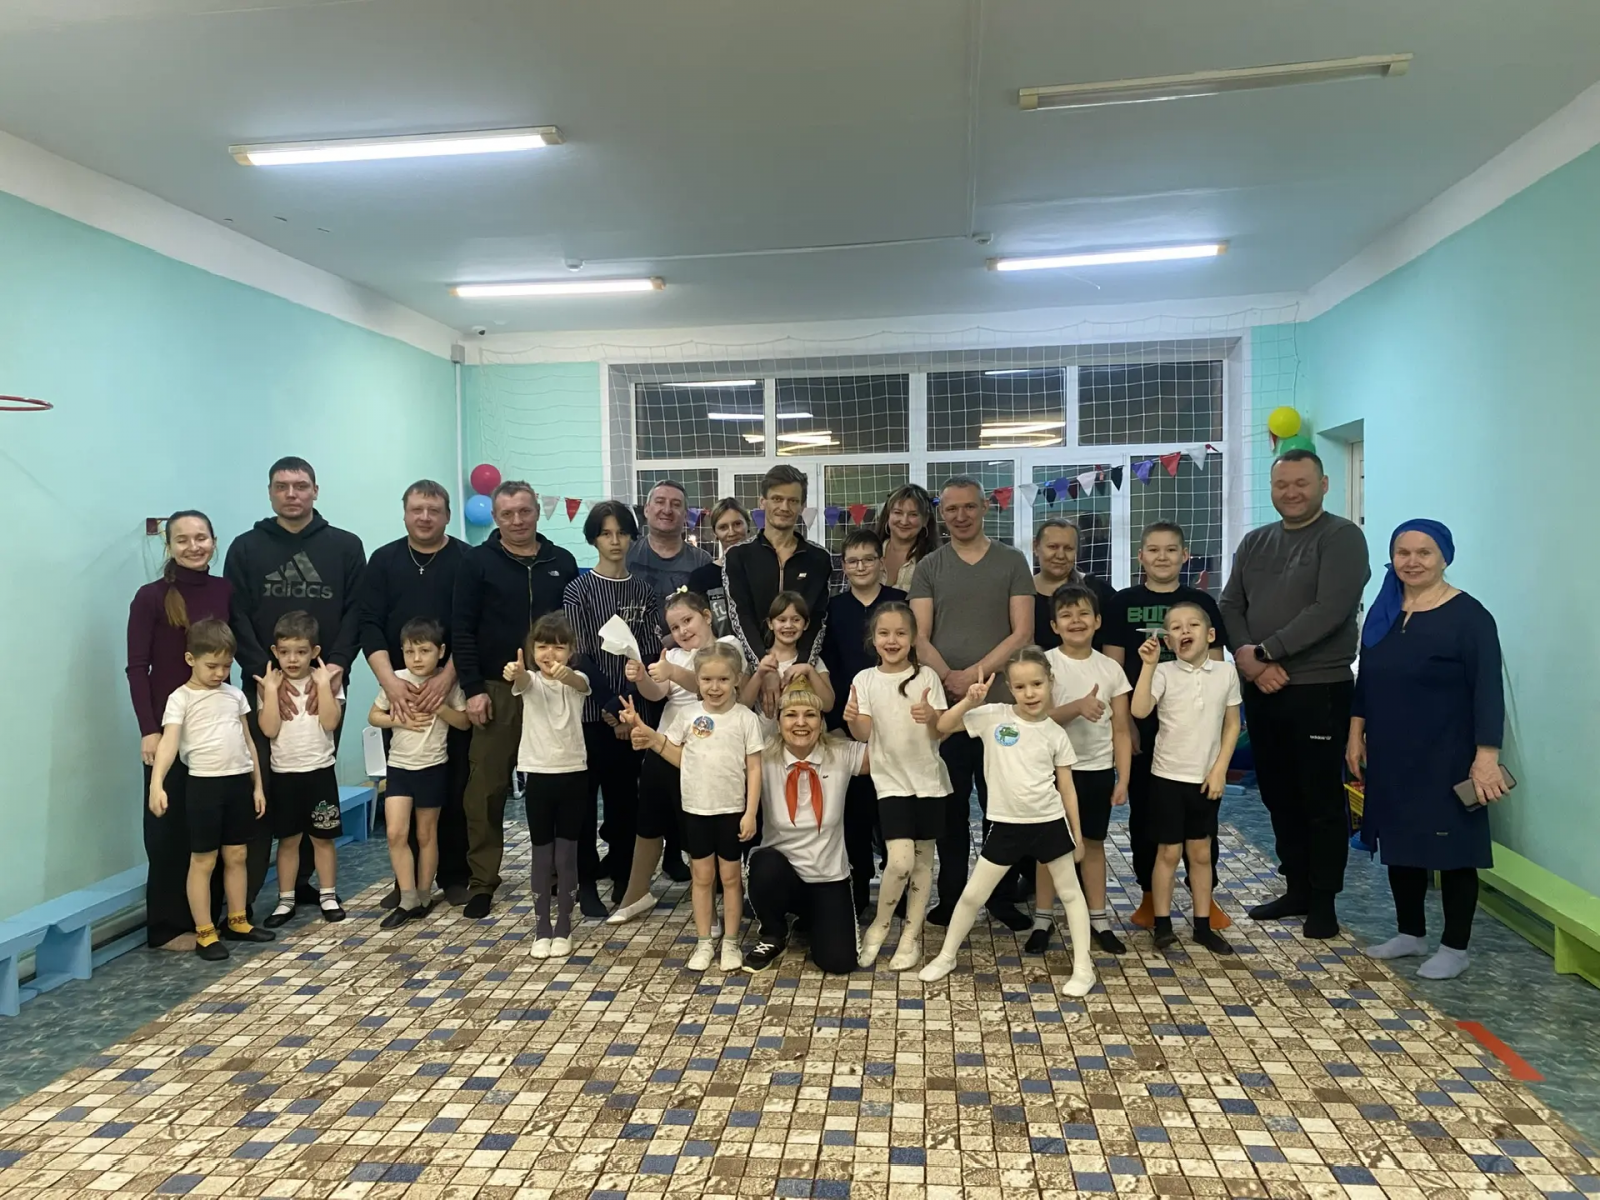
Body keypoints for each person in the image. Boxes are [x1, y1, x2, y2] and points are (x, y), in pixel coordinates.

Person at [1346, 520, 1506, 980]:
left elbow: (1488, 692)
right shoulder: (1385, 611)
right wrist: (1356, 732)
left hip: (1449, 753)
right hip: (1393, 751)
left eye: (1424, 553)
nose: (1412, 562)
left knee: (1454, 850)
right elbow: (1368, 678)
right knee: (1401, 842)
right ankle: (1410, 933)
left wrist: (1486, 757)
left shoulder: (1470, 617)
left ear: (1444, 558)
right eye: (1403, 553)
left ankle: (1455, 947)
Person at [1220, 449, 1370, 938]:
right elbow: (1230, 604)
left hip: (1319, 689)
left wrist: (1266, 652)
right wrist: (1248, 659)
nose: (1291, 492)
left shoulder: (1341, 537)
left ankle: (1324, 901)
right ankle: (1297, 888)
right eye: (1282, 484)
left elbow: (1330, 609)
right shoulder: (1255, 542)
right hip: (1263, 690)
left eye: (1302, 483)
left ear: (1323, 485)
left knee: (1319, 798)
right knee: (1278, 795)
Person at [224, 457, 366, 917]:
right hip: (264, 685)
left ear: (315, 491)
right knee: (264, 787)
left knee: (312, 778)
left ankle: (305, 883)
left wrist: (336, 666)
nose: (292, 494)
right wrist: (265, 676)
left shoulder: (345, 546)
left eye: (300, 485)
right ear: (270, 492)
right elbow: (236, 616)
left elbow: (356, 611)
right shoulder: (246, 548)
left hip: (324, 683)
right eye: (282, 486)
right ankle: (246, 901)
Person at [918, 649, 1094, 998]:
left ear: (1050, 683)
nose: (1030, 693)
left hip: (1049, 823)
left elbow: (1067, 789)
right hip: (1006, 825)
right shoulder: (993, 716)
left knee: (1072, 895)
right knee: (973, 895)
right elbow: (943, 727)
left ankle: (1084, 967)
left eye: (1037, 684)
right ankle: (947, 956)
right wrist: (969, 702)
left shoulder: (1055, 733)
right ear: (1010, 689)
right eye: (1021, 686)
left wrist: (1077, 834)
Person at [909, 476, 1035, 930]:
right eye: (951, 509)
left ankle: (1001, 896)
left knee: (1002, 806)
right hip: (949, 712)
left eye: (968, 507)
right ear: (941, 514)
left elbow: (1022, 632)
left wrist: (975, 675)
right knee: (952, 807)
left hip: (1002, 707)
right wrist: (949, 678)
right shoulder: (930, 566)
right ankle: (952, 896)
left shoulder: (1012, 561)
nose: (960, 516)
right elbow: (918, 636)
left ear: (985, 507)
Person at [453, 480, 580, 918]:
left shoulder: (561, 562)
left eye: (524, 511)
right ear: (495, 517)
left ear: (537, 511)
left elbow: (573, 629)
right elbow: (462, 630)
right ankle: (483, 881)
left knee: (555, 786)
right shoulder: (476, 563)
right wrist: (472, 690)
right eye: (507, 514)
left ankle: (558, 874)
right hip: (496, 690)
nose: (517, 520)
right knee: (485, 790)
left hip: (552, 691)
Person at [1103, 522, 1231, 931]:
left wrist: (1216, 740)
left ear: (1185, 555)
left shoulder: (1201, 603)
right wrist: (1125, 724)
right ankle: (1148, 895)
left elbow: (1217, 670)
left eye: (1171, 550)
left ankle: (1204, 899)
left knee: (1202, 818)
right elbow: (1113, 669)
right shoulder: (1123, 602)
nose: (1162, 557)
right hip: (1143, 723)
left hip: (1195, 731)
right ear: (1140, 556)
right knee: (1147, 814)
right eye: (1154, 550)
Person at [356, 480, 472, 908]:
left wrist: (447, 678)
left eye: (434, 510)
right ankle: (404, 884)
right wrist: (391, 683)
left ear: (447, 515)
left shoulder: (466, 559)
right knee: (403, 797)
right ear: (404, 513)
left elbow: (472, 624)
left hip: (452, 686)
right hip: (400, 691)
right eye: (417, 509)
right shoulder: (384, 560)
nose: (425, 517)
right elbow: (369, 624)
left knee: (453, 788)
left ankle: (454, 875)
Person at [126, 510, 232, 951]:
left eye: (201, 537)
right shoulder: (150, 597)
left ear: (214, 541)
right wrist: (148, 730)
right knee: (168, 829)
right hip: (168, 732)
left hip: (215, 731)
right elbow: (137, 668)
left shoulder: (225, 590)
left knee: (210, 827)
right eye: (183, 539)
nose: (194, 546)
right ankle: (167, 927)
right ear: (168, 546)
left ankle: (210, 918)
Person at [624, 642, 764, 972]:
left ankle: (730, 942)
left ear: (737, 680)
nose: (715, 687)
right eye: (707, 680)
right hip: (696, 811)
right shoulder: (687, 716)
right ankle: (704, 942)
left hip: (731, 811)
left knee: (731, 878)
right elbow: (680, 757)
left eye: (723, 680)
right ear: (697, 681)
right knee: (701, 877)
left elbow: (755, 769)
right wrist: (650, 736)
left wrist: (750, 813)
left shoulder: (746, 719)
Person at [610, 591, 743, 919]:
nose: (683, 630)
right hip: (664, 742)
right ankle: (636, 894)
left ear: (706, 616)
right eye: (675, 627)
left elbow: (709, 687)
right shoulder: (673, 655)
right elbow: (657, 694)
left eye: (688, 620)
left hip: (705, 751)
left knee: (698, 829)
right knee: (648, 821)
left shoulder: (727, 645)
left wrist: (671, 671)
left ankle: (710, 909)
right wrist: (643, 677)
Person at [147, 619, 273, 961]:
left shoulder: (234, 696)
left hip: (238, 782)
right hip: (204, 786)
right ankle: (204, 931)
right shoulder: (181, 698)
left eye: (226, 666)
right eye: (212, 666)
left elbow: (248, 742)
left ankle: (237, 920)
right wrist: (157, 784)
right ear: (191, 659)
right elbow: (169, 743)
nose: (220, 673)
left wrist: (258, 786)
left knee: (237, 855)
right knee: (204, 860)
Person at [563, 500, 663, 914]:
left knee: (625, 802)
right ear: (593, 539)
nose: (615, 541)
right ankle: (585, 882)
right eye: (606, 533)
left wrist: (628, 710)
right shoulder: (579, 590)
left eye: (622, 532)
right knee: (584, 804)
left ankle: (625, 876)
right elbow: (580, 653)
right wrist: (609, 705)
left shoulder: (644, 591)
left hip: (633, 715)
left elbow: (648, 652)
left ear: (632, 537)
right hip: (591, 712)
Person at [1130, 603, 1242, 955]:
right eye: (1176, 628)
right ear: (1168, 640)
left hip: (1206, 779)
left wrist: (1220, 769)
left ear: (1210, 635)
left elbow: (1232, 725)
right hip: (1167, 777)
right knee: (1167, 852)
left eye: (1192, 625)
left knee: (1201, 853)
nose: (1184, 631)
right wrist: (1148, 666)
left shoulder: (1225, 673)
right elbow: (1139, 709)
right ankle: (1162, 924)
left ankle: (1202, 925)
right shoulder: (1164, 672)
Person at [846, 601, 951, 971]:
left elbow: (941, 730)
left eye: (900, 633)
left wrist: (931, 716)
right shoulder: (864, 680)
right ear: (873, 639)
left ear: (913, 638)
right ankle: (880, 926)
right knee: (901, 861)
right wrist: (852, 719)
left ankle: (910, 936)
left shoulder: (927, 678)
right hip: (890, 782)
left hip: (929, 782)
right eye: (884, 633)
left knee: (922, 864)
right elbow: (863, 733)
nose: (892, 641)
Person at [742, 678, 871, 975]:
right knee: (764, 864)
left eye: (810, 715)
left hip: (827, 876)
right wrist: (656, 742)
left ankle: (815, 918)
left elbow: (895, 752)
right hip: (781, 872)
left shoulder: (841, 753)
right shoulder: (762, 759)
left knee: (839, 962)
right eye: (791, 715)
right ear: (778, 722)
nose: (801, 723)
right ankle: (773, 932)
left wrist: (861, 723)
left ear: (821, 722)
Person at [1036, 583, 1132, 955]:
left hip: (1096, 770)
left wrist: (1123, 777)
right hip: (1052, 771)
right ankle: (1043, 918)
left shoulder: (1110, 668)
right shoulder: (1045, 665)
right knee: (1049, 847)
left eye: (1083, 614)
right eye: (1066, 615)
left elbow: (1121, 728)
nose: (1075, 621)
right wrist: (1076, 707)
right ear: (1054, 626)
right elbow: (1037, 719)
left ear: (1098, 621)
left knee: (1093, 843)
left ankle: (1099, 919)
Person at [822, 529, 906, 914]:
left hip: (897, 725)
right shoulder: (833, 609)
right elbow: (829, 668)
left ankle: (897, 886)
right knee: (855, 811)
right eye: (853, 561)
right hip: (848, 724)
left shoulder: (899, 603)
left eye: (868, 559)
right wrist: (836, 722)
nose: (861, 567)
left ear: (881, 563)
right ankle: (857, 884)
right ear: (843, 566)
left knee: (894, 812)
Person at [369, 617, 470, 928]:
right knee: (395, 833)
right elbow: (374, 716)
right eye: (410, 651)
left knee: (427, 834)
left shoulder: (445, 684)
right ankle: (408, 896)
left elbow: (464, 722)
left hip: (433, 768)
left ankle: (424, 895)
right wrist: (397, 720)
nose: (416, 658)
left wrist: (439, 707)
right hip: (399, 768)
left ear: (441, 651)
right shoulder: (397, 680)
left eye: (424, 651)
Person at [505, 613, 593, 960]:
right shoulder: (531, 682)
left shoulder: (577, 680)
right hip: (539, 776)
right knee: (542, 855)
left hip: (573, 775)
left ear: (571, 651)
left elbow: (578, 682)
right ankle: (542, 928)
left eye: (559, 647)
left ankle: (564, 927)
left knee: (566, 855)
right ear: (531, 649)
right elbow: (523, 680)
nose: (550, 654)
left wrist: (564, 673)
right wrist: (516, 671)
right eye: (542, 647)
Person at [255, 612, 345, 927]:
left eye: (301, 651)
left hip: (320, 772)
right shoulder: (270, 685)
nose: (292, 659)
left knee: (323, 838)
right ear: (275, 652)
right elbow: (268, 729)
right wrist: (269, 692)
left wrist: (323, 686)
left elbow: (330, 722)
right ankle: (286, 900)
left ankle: (328, 895)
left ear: (314, 652)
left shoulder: (326, 681)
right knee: (288, 840)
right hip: (284, 775)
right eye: (285, 652)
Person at [725, 465, 834, 682]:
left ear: (802, 506)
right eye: (777, 499)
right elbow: (740, 616)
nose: (784, 507)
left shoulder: (818, 558)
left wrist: (801, 665)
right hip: (751, 672)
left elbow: (818, 619)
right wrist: (763, 667)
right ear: (762, 502)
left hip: (802, 669)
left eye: (793, 501)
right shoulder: (738, 555)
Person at [741, 592, 835, 716]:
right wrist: (759, 674)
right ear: (770, 623)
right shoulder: (756, 660)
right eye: (782, 620)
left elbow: (828, 705)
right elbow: (742, 706)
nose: (789, 625)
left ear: (806, 624)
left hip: (801, 728)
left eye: (796, 620)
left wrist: (810, 670)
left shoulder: (813, 661)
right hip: (763, 728)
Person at [1031, 518, 1115, 652]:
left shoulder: (1099, 590)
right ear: (1036, 547)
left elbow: (1114, 642)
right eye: (1053, 547)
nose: (1060, 555)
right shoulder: (1020, 593)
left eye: (1068, 548)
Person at [627, 479, 712, 602]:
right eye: (660, 502)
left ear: (686, 515)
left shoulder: (701, 561)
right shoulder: (627, 552)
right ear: (646, 510)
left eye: (676, 504)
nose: (667, 510)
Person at [687, 497, 750, 639]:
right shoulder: (701, 578)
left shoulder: (765, 569)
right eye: (723, 527)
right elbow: (698, 628)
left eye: (737, 524)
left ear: (748, 526)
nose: (732, 532)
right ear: (715, 533)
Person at [875, 483, 938, 591]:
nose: (904, 521)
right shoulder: (870, 553)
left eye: (913, 514)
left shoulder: (935, 562)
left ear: (925, 520)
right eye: (898, 512)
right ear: (888, 515)